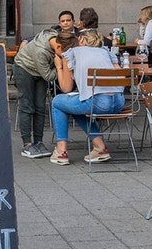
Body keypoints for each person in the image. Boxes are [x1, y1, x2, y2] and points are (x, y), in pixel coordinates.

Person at [49, 28, 119, 165]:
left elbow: (66, 88)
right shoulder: (104, 51)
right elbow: (119, 72)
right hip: (119, 101)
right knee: (75, 104)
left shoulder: (70, 53)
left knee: (57, 102)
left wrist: (59, 67)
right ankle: (99, 147)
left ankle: (61, 151)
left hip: (99, 103)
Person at [13, 20, 59, 158]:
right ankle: (27, 144)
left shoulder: (55, 36)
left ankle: (38, 142)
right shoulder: (41, 52)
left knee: (40, 107)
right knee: (27, 106)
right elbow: (49, 76)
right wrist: (60, 66)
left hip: (40, 70)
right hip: (24, 68)